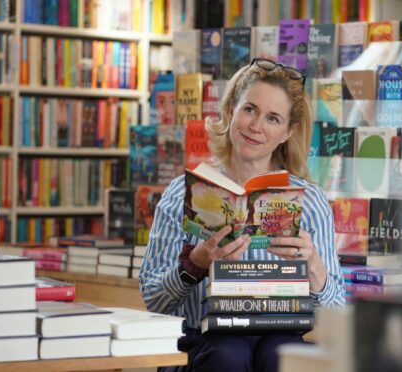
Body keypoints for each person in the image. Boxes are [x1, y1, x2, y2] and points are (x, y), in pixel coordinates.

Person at [139, 58, 345, 372]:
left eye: (273, 118)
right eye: (249, 109)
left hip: (277, 336)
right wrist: (195, 264)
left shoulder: (311, 202)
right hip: (201, 343)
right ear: (231, 110)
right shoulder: (182, 193)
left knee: (282, 353)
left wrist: (316, 272)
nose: (255, 126)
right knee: (227, 353)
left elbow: (338, 313)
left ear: (287, 132)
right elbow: (153, 299)